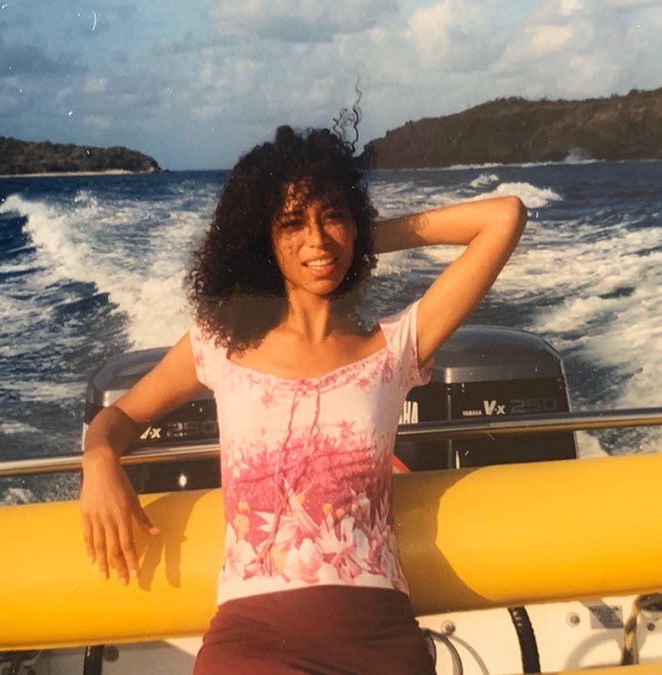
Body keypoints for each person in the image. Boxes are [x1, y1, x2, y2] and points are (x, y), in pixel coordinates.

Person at [80, 124, 526, 673]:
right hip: (252, 647)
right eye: (292, 224)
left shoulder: (393, 348)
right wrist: (99, 460)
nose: (316, 239)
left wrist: (359, 237)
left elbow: (503, 217)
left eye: (331, 215)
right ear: (261, 237)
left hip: (380, 647)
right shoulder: (218, 345)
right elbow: (118, 416)